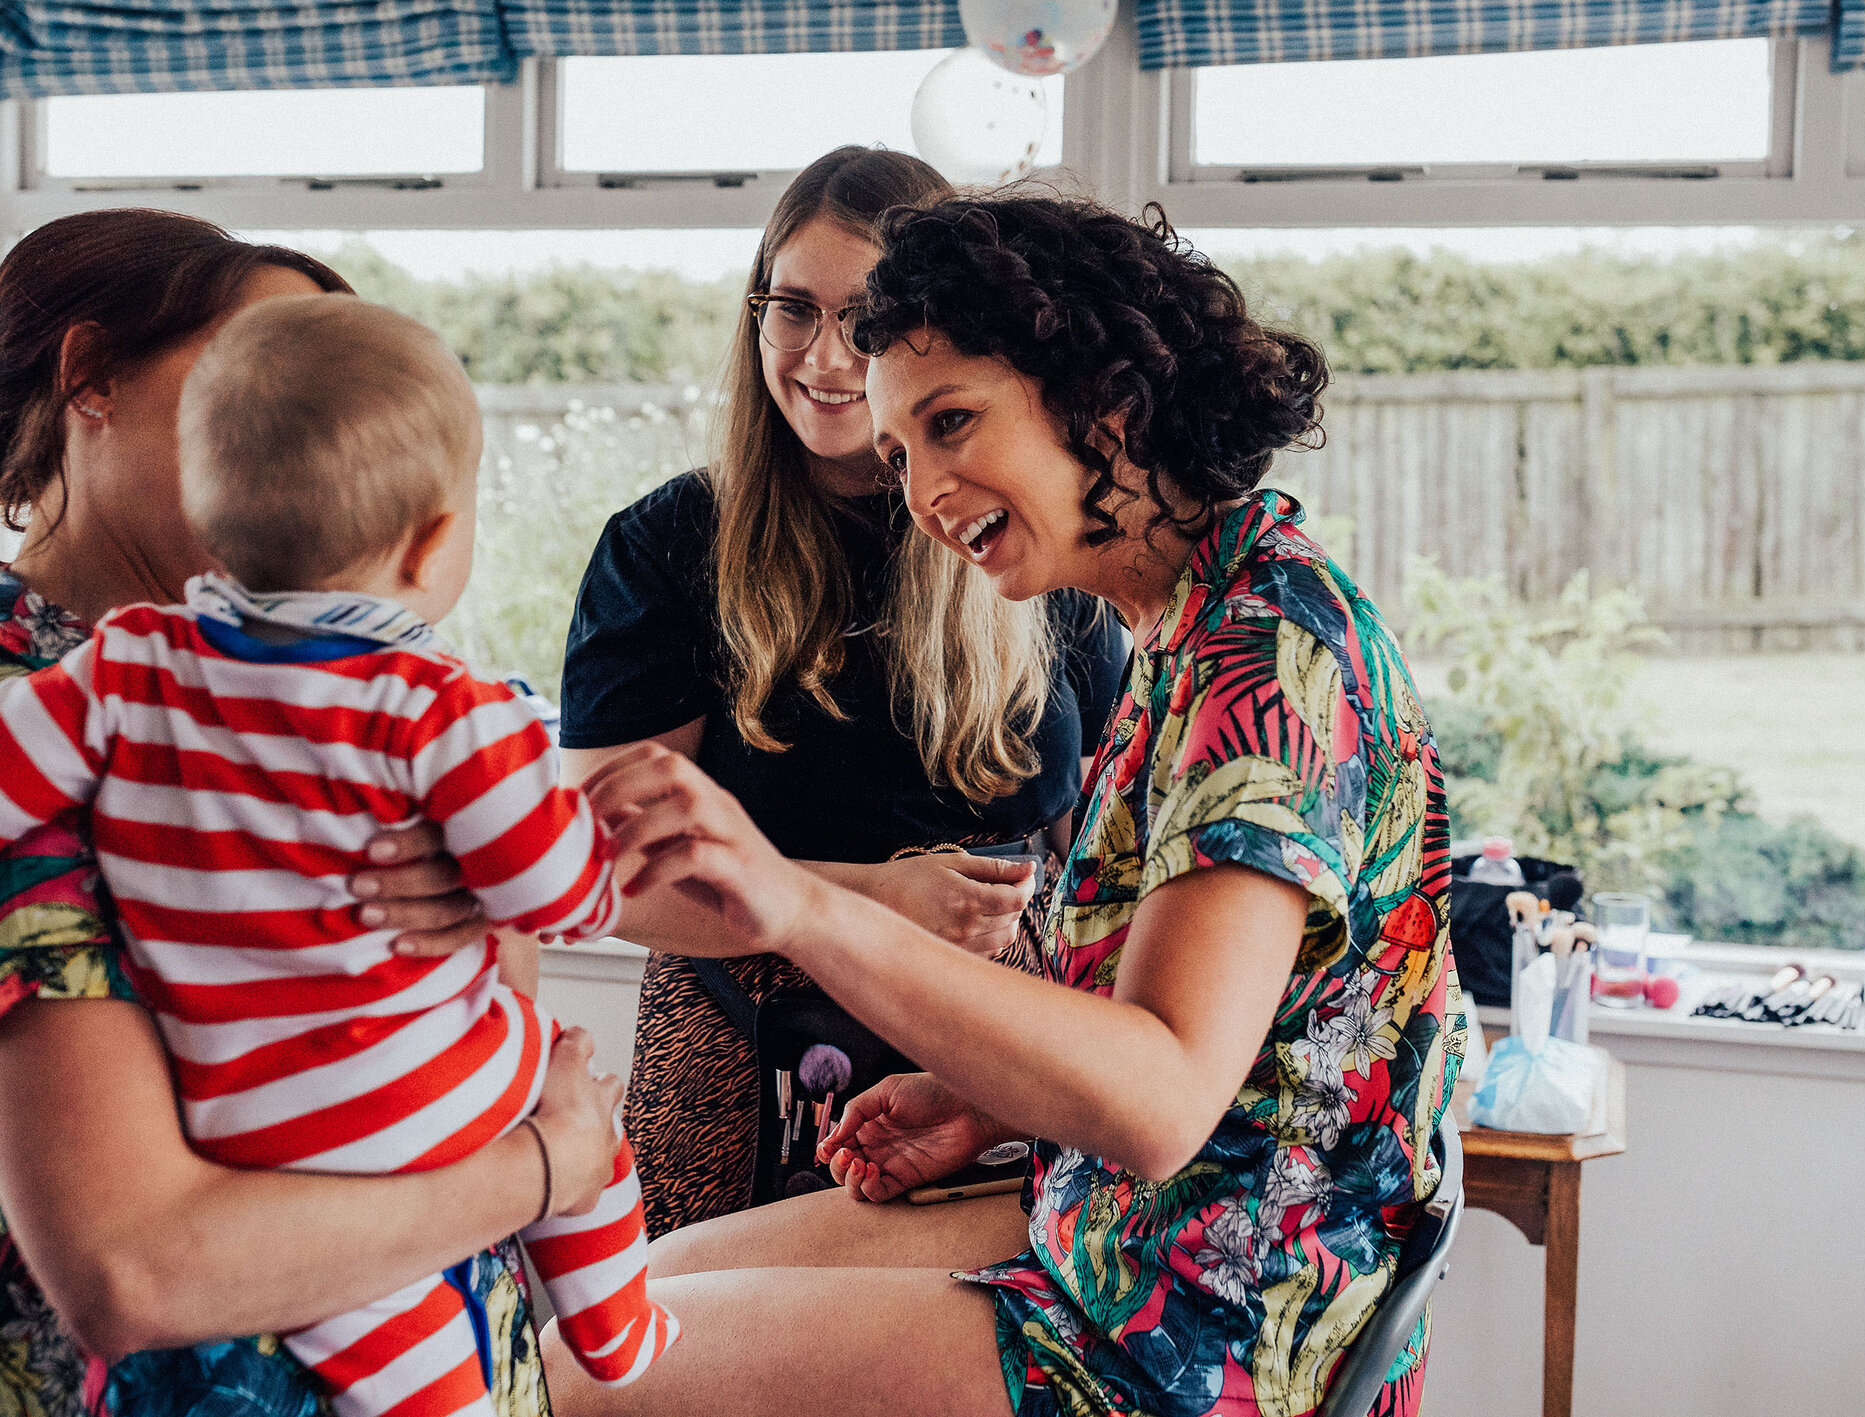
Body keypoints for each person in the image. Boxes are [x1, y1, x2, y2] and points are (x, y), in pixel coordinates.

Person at [566, 195, 1466, 1417]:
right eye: (898, 454)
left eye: (951, 423)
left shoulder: (1263, 659)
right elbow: (1220, 1024)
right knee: (626, 1292)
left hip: (1202, 1325)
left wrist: (799, 903)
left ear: (1107, 397)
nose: (925, 491)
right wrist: (986, 1097)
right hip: (1130, 1234)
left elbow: (1155, 1096)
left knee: (581, 1369)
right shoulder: (1186, 624)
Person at [0, 296, 679, 1412]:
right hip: (217, 1361)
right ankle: (619, 1323)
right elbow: (134, 1269)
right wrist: (554, 1161)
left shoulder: (135, 672)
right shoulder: (415, 706)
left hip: (358, 1207)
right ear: (91, 382)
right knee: (564, 1088)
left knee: (423, 1340)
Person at [558, 147, 1128, 1235]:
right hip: (738, 1062)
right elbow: (596, 875)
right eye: (792, 308)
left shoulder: (1031, 535)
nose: (823, 356)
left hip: (1000, 1063)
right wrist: (871, 897)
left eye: (864, 317)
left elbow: (1110, 851)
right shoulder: (668, 545)